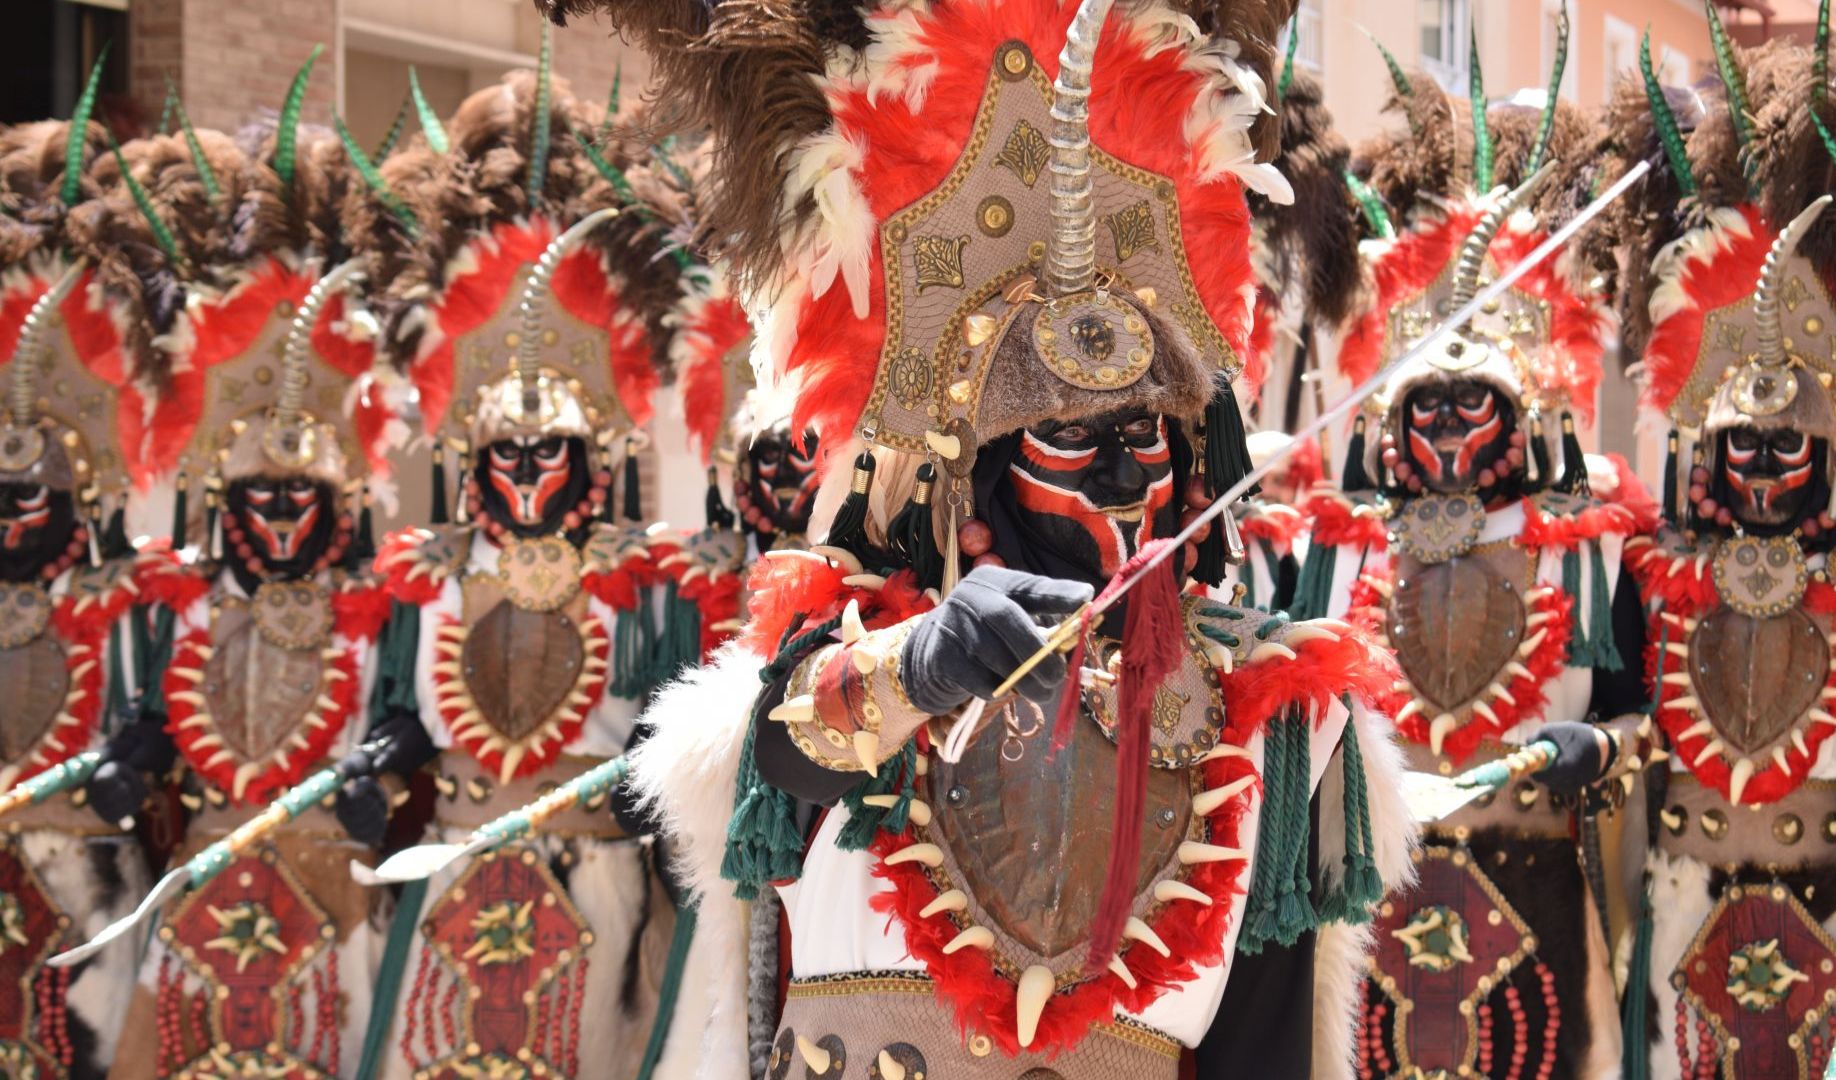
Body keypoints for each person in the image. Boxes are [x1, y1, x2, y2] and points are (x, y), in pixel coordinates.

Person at [535, 0, 1419, 1075]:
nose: (1119, 471)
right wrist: (922, 662)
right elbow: (780, 753)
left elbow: (1268, 1052)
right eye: (1066, 436)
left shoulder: (1276, 712)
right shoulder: (858, 653)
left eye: (1143, 435)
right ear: (978, 473)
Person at [1298, 38, 1657, 1079]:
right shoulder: (1331, 544)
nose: (1448, 425)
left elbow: (1640, 712)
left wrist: (1607, 751)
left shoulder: (1587, 544)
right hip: (1369, 926)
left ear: (1521, 408)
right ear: (1389, 413)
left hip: (1540, 903)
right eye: (1426, 403)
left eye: (1474, 401)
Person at [356, 60, 720, 1079]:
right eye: (502, 455)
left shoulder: (645, 581)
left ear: (592, 457)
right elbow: (402, 711)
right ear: (472, 458)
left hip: (596, 884)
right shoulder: (425, 575)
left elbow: (666, 718)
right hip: (453, 872)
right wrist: (380, 754)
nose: (522, 474)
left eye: (544, 454)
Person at [1609, 14, 1836, 1077]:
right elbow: (1617, 721)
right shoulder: (1653, 576)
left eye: (1787, 442)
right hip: (1679, 912)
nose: (1760, 462)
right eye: (1738, 439)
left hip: (1835, 918)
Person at [101, 89, 423, 1078]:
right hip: (204, 875)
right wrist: (137, 754)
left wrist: (387, 769)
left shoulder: (381, 603)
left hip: (334, 883)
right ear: (218, 497)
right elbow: (153, 719)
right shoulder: (180, 601)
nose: (281, 511)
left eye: (302, 491)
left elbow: (407, 718)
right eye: (260, 493)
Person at [0, 86, 167, 1079]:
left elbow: (168, 730)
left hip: (95, 893)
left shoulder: (134, 603)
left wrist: (140, 753)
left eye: (31, 492)